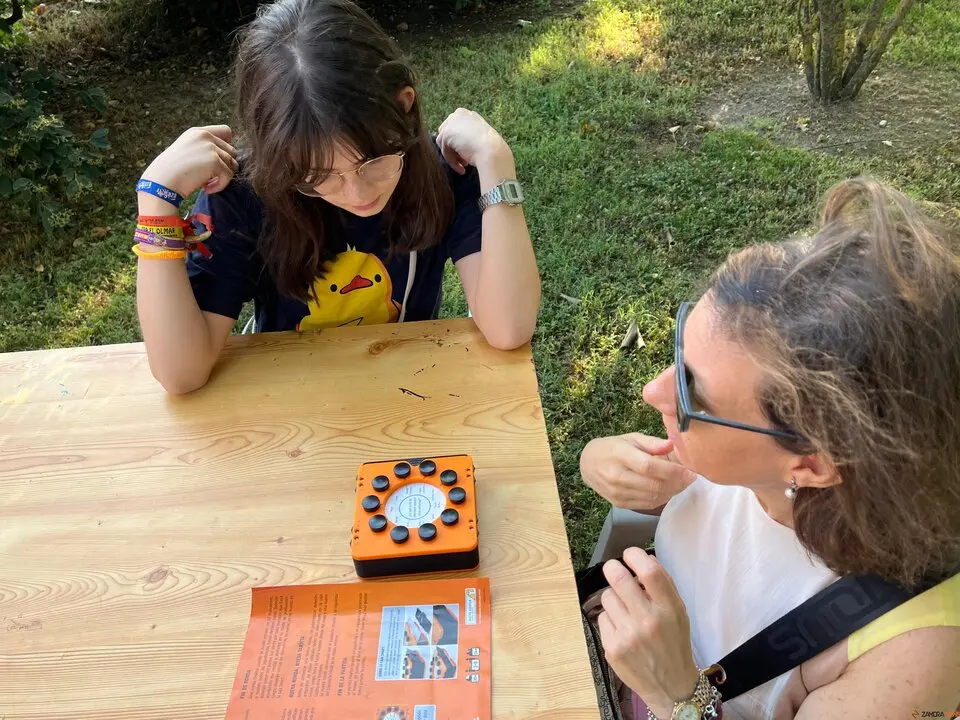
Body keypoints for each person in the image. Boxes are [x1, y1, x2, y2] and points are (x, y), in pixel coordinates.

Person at [580, 178, 960, 719]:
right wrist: (601, 460)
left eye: (692, 395)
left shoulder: (911, 660)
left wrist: (677, 697)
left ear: (813, 464)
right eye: (680, 351)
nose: (653, 391)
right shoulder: (754, 454)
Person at [133, 0, 540, 394]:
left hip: (411, 388)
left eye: (375, 160)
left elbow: (508, 328)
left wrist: (494, 159)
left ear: (404, 106)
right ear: (275, 159)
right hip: (287, 400)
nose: (358, 192)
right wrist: (156, 201)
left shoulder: (441, 171)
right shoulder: (242, 197)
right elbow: (180, 374)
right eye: (316, 177)